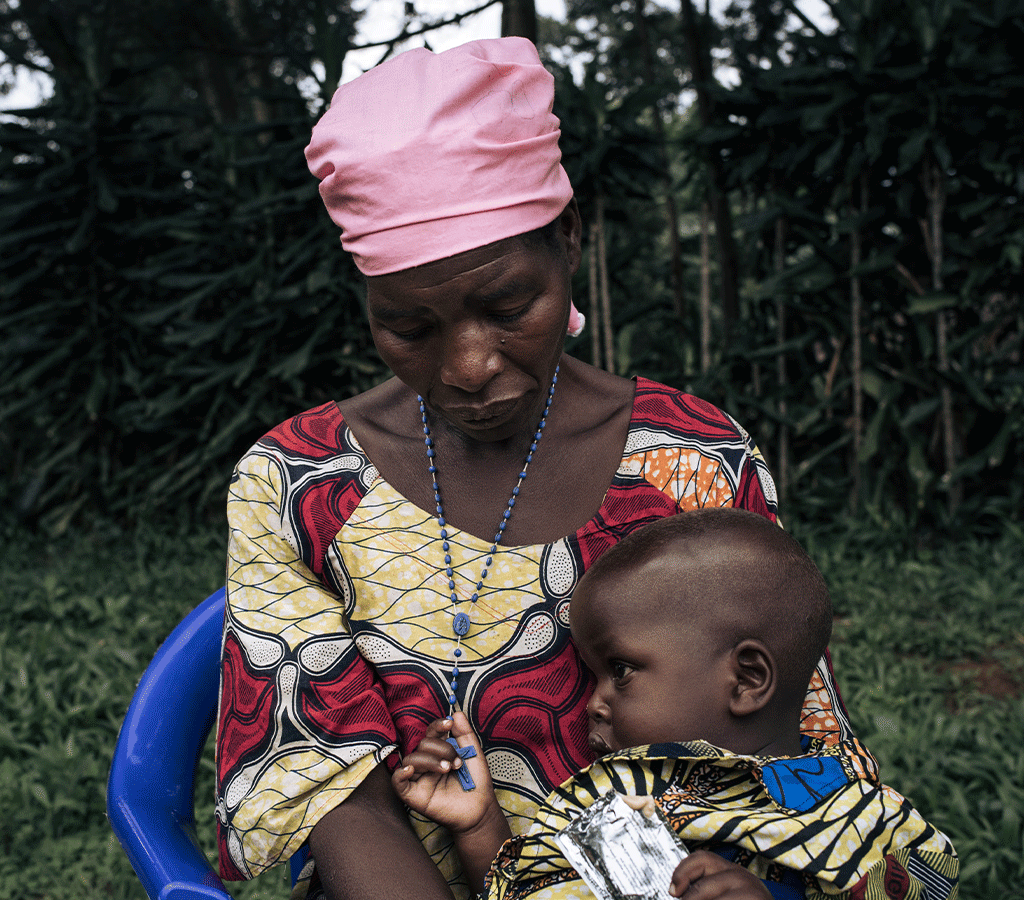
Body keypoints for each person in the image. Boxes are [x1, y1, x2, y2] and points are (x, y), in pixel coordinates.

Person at [213, 37, 848, 900]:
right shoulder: (296, 485)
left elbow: (799, 739)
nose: (468, 365)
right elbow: (332, 794)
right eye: (410, 326)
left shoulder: (692, 459)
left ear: (571, 239)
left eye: (508, 306)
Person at [393, 509, 959, 900]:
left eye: (620, 671)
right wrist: (478, 825)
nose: (595, 703)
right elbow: (524, 887)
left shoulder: (857, 817)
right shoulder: (612, 800)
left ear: (746, 679)